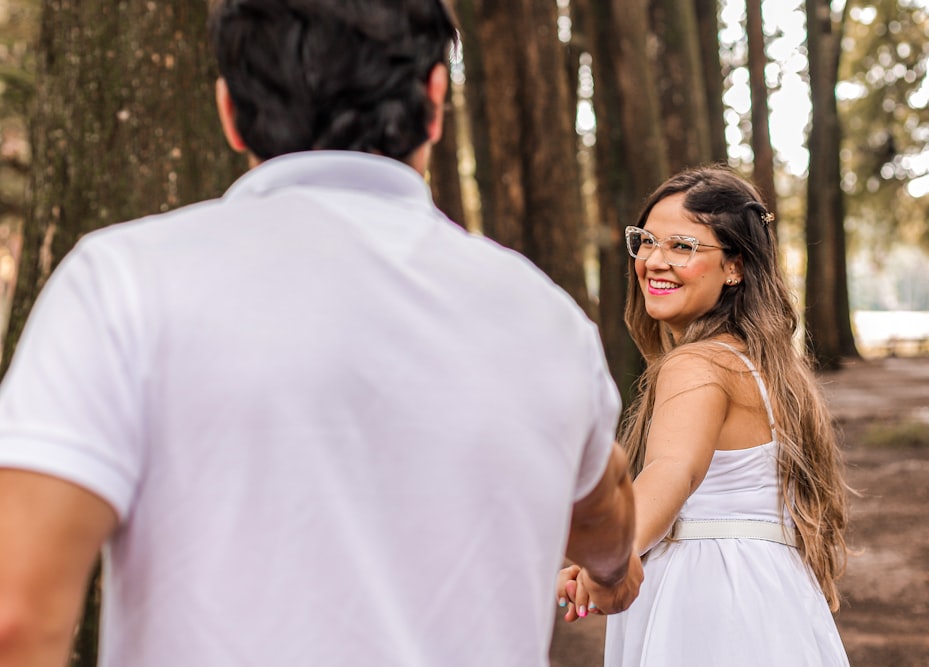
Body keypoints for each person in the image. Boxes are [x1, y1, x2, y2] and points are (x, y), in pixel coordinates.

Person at [0, 1, 643, 665]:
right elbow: (605, 502)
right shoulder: (546, 319)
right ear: (435, 98)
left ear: (230, 111)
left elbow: (15, 616)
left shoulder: (121, 283)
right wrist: (610, 565)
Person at [557, 165, 851, 665]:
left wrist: (612, 560)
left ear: (734, 266)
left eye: (682, 247)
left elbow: (671, 473)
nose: (654, 260)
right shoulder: (762, 366)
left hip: (707, 602)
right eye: (646, 241)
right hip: (767, 595)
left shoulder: (697, 364)